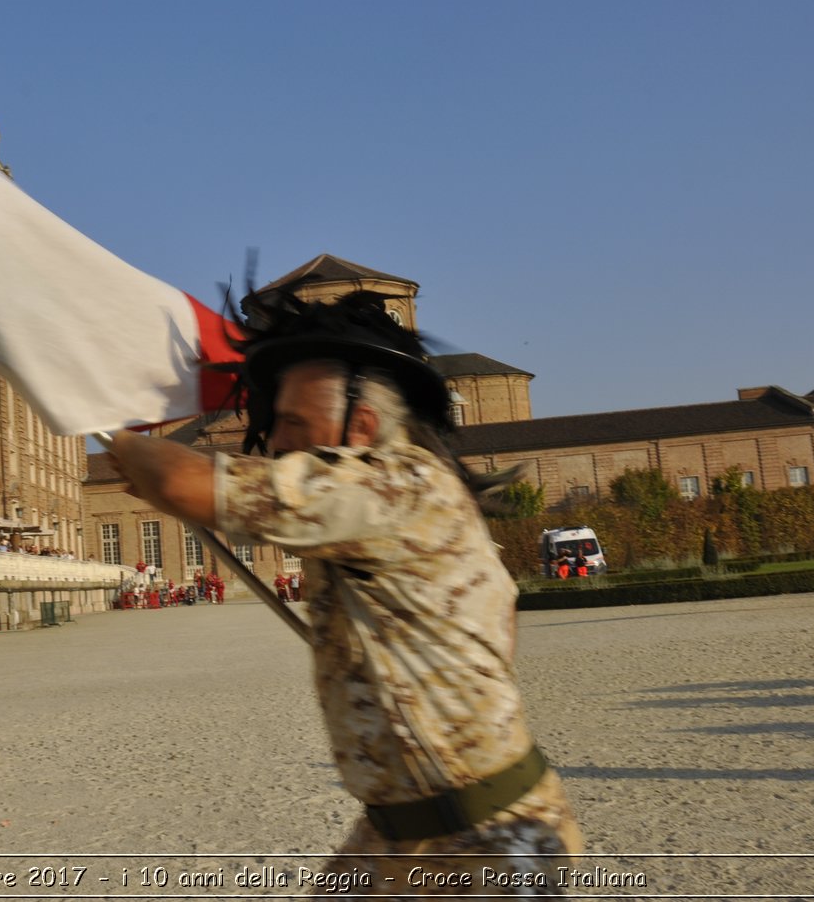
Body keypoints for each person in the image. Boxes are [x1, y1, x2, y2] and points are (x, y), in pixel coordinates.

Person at [106, 291, 581, 890]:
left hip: (487, 842)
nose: (275, 440)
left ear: (362, 425)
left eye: (293, 422)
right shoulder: (369, 512)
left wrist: (113, 434)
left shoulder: (403, 486)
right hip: (399, 832)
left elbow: (181, 480)